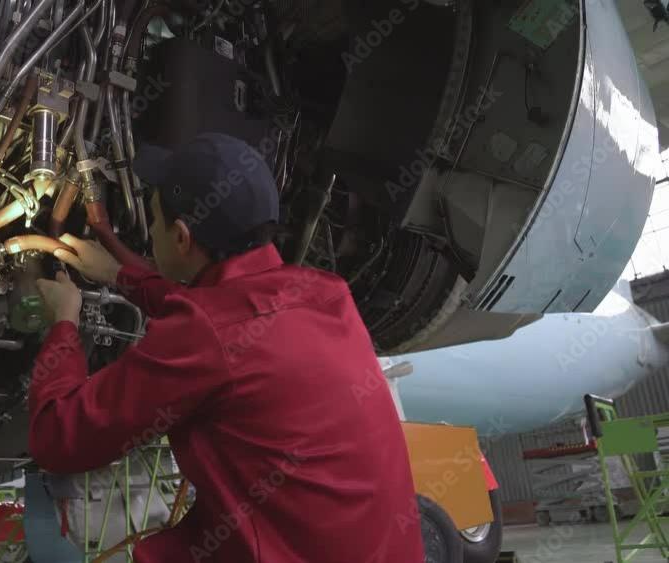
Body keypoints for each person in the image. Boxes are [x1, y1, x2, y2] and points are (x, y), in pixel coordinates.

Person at [30, 132, 424, 562]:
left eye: (155, 217)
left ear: (182, 237)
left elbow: (57, 439)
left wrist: (64, 323)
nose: (153, 229)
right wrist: (119, 275)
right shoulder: (326, 292)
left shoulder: (206, 334)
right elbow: (227, 318)